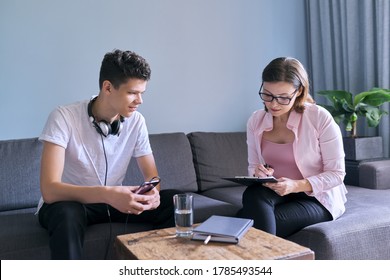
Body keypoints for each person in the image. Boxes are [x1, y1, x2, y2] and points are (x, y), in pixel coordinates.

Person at [37, 49, 180, 259]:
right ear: (107, 87)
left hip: (113, 202)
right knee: (67, 213)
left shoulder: (137, 122)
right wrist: (109, 193)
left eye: (142, 93)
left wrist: (153, 195)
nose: (139, 100)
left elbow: (152, 177)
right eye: (132, 92)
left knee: (174, 200)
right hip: (71, 204)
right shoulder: (63, 117)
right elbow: (50, 190)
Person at [238, 57, 347, 238]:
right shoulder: (255, 121)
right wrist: (259, 174)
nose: (273, 104)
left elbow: (337, 174)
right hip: (278, 191)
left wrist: (296, 185)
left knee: (248, 225)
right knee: (253, 193)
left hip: (316, 198)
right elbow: (253, 167)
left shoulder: (319, 117)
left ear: (299, 92)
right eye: (267, 95)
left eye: (283, 98)